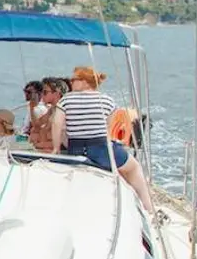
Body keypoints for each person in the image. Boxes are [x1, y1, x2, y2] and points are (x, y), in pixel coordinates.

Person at [60, 66, 155, 212]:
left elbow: (59, 126)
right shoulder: (106, 100)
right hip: (100, 150)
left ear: (85, 82)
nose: (70, 82)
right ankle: (148, 208)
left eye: (74, 79)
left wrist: (57, 147)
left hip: (75, 150)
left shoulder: (66, 100)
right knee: (133, 167)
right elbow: (109, 129)